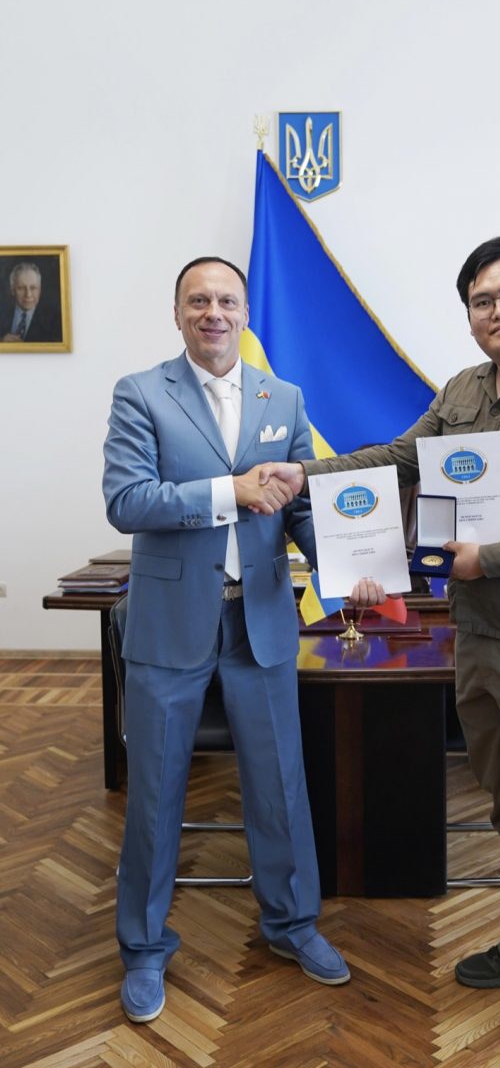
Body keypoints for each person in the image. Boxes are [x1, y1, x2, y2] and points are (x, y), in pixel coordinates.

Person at [260, 236, 500, 1055]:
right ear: (469, 316)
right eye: (480, 301)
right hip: (481, 635)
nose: (498, 311)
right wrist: (302, 474)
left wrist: (486, 559)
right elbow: (401, 458)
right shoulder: (463, 389)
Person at [102, 256, 351, 1026]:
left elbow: (300, 508)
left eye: (227, 301)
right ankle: (144, 946)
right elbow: (126, 500)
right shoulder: (141, 393)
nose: (214, 312)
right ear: (178, 312)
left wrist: (352, 565)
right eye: (199, 300)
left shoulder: (285, 398)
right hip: (169, 624)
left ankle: (292, 924)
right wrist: (228, 492)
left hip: (262, 620)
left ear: (246, 313)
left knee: (280, 784)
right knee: (155, 792)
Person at [0, 261, 62, 342]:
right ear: (12, 290)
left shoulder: (55, 320)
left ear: (40, 290)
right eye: (21, 288)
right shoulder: (2, 313)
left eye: (33, 288)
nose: (28, 295)